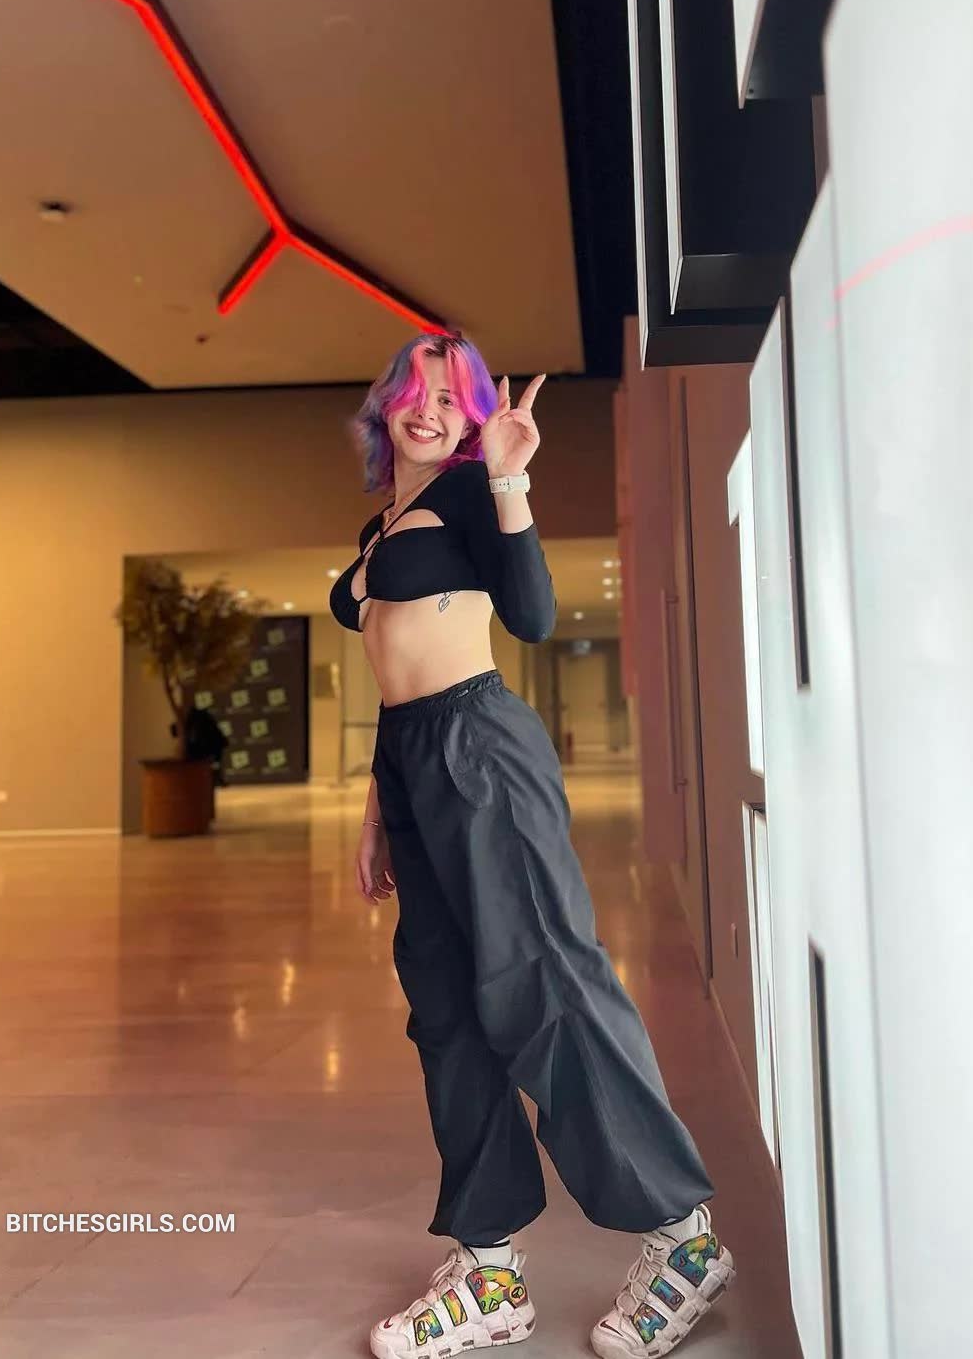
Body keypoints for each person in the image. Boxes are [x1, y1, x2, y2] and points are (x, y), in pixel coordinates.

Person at [328, 333, 735, 1359]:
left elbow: (536, 613)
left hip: (479, 747)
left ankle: (682, 1235)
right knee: (448, 1011)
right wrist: (379, 810)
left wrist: (510, 477)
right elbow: (391, 673)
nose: (430, 411)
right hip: (412, 760)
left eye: (451, 398)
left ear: (472, 419)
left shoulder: (472, 493)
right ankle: (490, 1267)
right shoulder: (379, 526)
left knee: (542, 981)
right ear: (386, 403)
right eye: (415, 392)